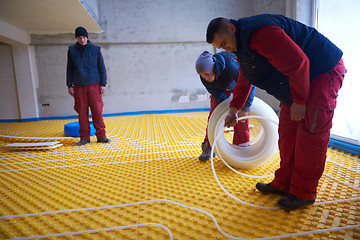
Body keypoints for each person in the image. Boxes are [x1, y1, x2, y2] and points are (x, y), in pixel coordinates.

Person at [206, 14, 346, 210]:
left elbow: (299, 62)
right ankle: (284, 183)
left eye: (224, 43)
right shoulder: (242, 46)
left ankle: (303, 193)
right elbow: (246, 78)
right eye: (221, 47)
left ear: (231, 28)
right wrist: (234, 108)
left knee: (310, 135)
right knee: (287, 132)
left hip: (321, 72)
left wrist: (299, 101)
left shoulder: (261, 33)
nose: (226, 49)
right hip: (298, 81)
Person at [196, 50, 256, 161]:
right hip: (221, 90)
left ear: (213, 68)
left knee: (242, 117)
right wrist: (226, 108)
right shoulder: (204, 76)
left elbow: (249, 83)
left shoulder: (231, 64)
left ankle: (242, 145)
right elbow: (215, 91)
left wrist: (245, 107)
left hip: (238, 87)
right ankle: (209, 147)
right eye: (202, 75)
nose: (205, 78)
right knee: (214, 116)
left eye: (207, 74)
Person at [66, 26, 111, 146]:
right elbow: (69, 69)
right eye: (80, 37)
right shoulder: (71, 50)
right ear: (76, 38)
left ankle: (101, 136)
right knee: (82, 112)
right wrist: (69, 85)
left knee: (97, 111)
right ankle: (84, 137)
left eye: (84, 37)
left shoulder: (95, 49)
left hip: (94, 85)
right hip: (79, 86)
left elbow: (102, 67)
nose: (82, 40)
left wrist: (103, 84)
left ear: (87, 37)